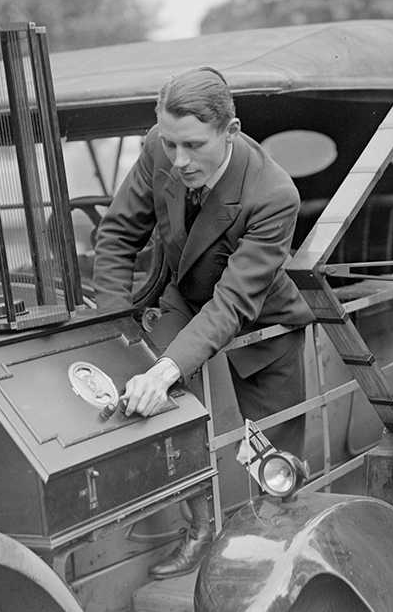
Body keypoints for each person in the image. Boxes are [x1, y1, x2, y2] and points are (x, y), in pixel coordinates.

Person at [93, 66, 314, 579]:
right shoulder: (160, 145)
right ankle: (200, 527)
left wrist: (167, 369)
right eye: (171, 146)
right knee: (153, 398)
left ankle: (271, 556)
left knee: (276, 460)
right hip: (187, 297)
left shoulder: (273, 194)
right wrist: (115, 334)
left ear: (231, 132)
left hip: (261, 317)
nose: (179, 160)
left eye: (193, 146)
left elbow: (233, 303)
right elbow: (118, 235)